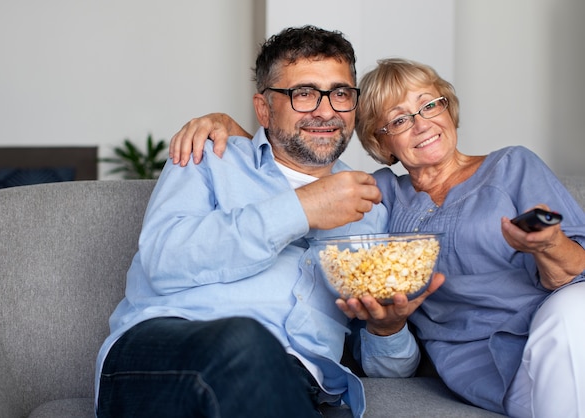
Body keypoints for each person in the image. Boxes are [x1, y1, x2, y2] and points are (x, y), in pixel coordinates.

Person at [169, 58, 585, 417]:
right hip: (479, 365)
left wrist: (548, 245)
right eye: (400, 119)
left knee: (575, 309)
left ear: (449, 109)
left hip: (557, 338)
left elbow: (577, 269)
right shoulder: (382, 193)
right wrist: (231, 128)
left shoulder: (513, 166)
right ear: (381, 142)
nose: (422, 124)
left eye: (429, 105)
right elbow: (294, 173)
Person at [95, 28, 444, 418]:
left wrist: (388, 329)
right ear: (264, 109)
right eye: (304, 93)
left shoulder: (372, 208)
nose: (326, 111)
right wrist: (301, 208)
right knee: (246, 342)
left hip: (296, 386)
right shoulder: (209, 156)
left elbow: (385, 368)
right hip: (168, 356)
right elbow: (163, 259)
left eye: (340, 93)